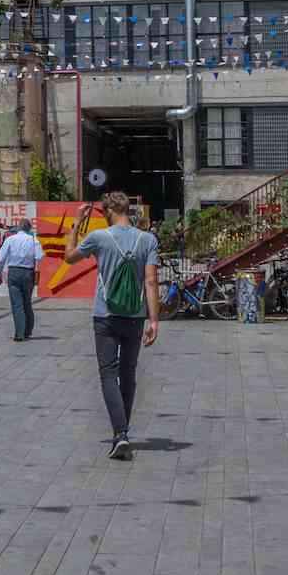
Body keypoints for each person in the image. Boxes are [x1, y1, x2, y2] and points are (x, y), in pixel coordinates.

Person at [75, 192, 161, 459]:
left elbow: (68, 257)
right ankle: (121, 432)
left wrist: (76, 224)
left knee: (107, 373)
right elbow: (151, 282)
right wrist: (154, 320)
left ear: (108, 212)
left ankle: (120, 433)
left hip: (105, 315)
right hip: (135, 317)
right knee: (128, 372)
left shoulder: (99, 238)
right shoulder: (147, 240)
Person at [0, 220, 42, 342]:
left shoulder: (10, 240)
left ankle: (19, 333)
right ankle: (28, 330)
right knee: (27, 302)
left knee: (17, 304)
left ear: (18, 228)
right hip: (28, 273)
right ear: (29, 229)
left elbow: (0, 259)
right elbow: (39, 257)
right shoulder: (34, 241)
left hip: (14, 272)